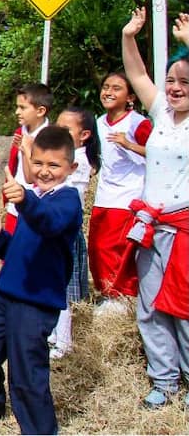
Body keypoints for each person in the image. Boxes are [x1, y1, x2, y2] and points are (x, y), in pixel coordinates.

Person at [0, 126, 82, 434]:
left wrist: (24, 200)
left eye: (54, 165)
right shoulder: (35, 198)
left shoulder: (67, 201)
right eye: (38, 163)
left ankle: (39, 429)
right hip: (6, 295)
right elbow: (17, 251)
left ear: (71, 167)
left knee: (26, 373)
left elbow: (49, 223)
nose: (44, 171)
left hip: (36, 302)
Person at [115, 7, 189, 410]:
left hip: (185, 230)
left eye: (185, 82)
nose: (175, 89)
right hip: (150, 226)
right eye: (172, 81)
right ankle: (164, 379)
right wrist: (129, 36)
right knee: (150, 306)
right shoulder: (161, 114)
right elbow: (138, 75)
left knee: (185, 309)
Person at [90, 70, 151, 313]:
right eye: (106, 87)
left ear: (130, 97)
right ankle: (105, 293)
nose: (108, 92)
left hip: (127, 198)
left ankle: (119, 298)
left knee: (113, 249)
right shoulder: (98, 122)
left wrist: (129, 144)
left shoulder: (138, 123)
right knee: (96, 248)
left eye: (116, 88)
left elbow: (158, 153)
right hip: (103, 196)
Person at [48, 106, 99, 359]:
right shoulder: (66, 156)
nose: (59, 132)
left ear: (84, 135)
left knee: (63, 290)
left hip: (65, 232)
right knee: (53, 285)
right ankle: (54, 334)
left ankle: (64, 341)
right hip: (55, 230)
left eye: (66, 129)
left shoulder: (78, 161)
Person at [5, 83, 53, 233]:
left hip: (35, 205)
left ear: (40, 111)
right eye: (17, 107)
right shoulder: (20, 132)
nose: (17, 112)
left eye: (23, 108)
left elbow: (35, 177)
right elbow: (14, 165)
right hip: (14, 203)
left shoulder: (50, 138)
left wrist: (27, 150)